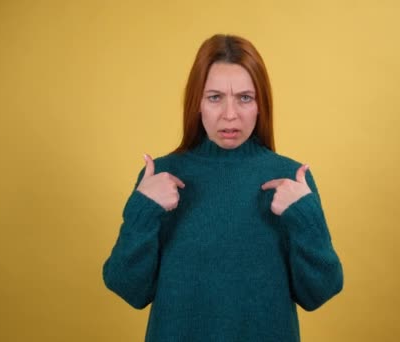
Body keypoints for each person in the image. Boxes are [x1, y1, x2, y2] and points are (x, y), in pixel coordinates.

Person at [103, 34, 344, 341]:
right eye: (215, 97)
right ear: (197, 104)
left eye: (245, 98)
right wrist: (142, 212)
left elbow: (319, 293)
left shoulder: (289, 179)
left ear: (260, 105)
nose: (230, 115)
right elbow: (128, 288)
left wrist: (306, 218)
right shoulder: (161, 178)